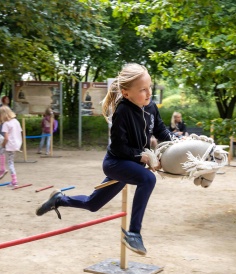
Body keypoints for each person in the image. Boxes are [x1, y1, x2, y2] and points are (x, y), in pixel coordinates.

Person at [35, 63, 174, 256]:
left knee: (93, 204)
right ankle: (134, 233)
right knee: (148, 179)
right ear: (126, 93)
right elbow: (118, 148)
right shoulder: (122, 111)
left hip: (132, 165)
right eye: (143, 89)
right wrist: (141, 155)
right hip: (116, 163)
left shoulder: (151, 107)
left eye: (149, 87)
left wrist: (178, 142)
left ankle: (59, 200)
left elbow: (161, 130)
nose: (149, 93)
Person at [0, 106, 23, 186]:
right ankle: (13, 179)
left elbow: (6, 138)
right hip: (16, 144)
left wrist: (3, 145)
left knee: (2, 152)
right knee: (10, 161)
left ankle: (3, 169)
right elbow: (20, 132)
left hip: (10, 144)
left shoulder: (6, 124)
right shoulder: (16, 121)